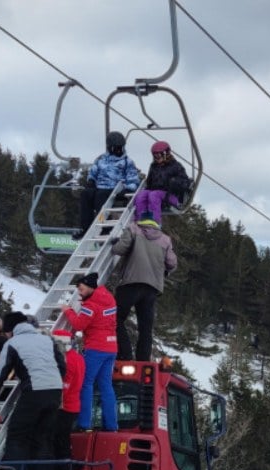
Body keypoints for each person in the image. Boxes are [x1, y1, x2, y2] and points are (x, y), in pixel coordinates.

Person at [0, 311, 66, 470]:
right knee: (43, 437)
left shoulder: (13, 343)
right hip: (55, 392)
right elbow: (62, 366)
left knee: (17, 435)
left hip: (34, 391)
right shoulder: (46, 339)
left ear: (10, 329)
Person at [109, 211, 177, 361]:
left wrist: (114, 244)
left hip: (131, 282)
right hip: (151, 288)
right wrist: (164, 271)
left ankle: (125, 354)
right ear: (156, 223)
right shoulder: (165, 240)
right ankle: (143, 361)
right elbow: (172, 263)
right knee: (145, 328)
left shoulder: (133, 229)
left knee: (113, 318)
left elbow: (120, 249)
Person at [61, 273, 119, 431]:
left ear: (89, 286)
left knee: (85, 384)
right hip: (112, 347)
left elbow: (79, 325)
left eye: (81, 288)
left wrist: (68, 311)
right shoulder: (108, 297)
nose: (79, 292)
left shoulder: (91, 305)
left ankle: (84, 423)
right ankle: (112, 425)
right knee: (106, 386)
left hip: (96, 348)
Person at [73, 131, 140, 240]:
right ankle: (85, 228)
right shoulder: (101, 160)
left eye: (120, 148)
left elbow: (133, 180)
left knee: (101, 195)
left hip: (116, 189)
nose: (118, 151)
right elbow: (93, 173)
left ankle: (106, 226)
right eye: (115, 148)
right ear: (109, 148)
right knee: (86, 194)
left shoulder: (127, 162)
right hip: (100, 187)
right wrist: (91, 181)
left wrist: (128, 188)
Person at [51, 331, 85, 470]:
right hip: (73, 405)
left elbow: (66, 383)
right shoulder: (78, 358)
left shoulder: (65, 359)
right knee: (63, 440)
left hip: (64, 406)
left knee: (56, 440)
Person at [132, 140, 191, 225]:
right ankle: (141, 219)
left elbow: (185, 182)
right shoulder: (153, 167)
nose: (157, 158)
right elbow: (149, 183)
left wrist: (174, 182)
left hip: (172, 195)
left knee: (154, 195)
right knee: (141, 195)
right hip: (156, 193)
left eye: (159, 155)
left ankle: (155, 221)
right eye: (155, 156)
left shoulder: (175, 166)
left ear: (166, 154)